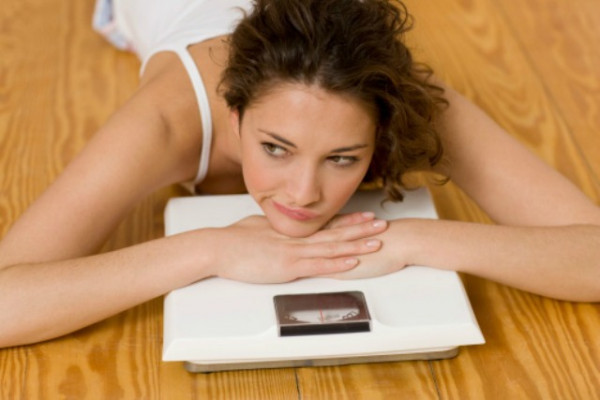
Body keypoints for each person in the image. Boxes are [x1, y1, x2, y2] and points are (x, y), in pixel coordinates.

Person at [0, 0, 598, 348]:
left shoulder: (402, 102)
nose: (304, 195)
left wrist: (413, 241)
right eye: (275, 148)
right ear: (234, 114)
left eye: (342, 158)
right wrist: (209, 250)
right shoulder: (166, 120)